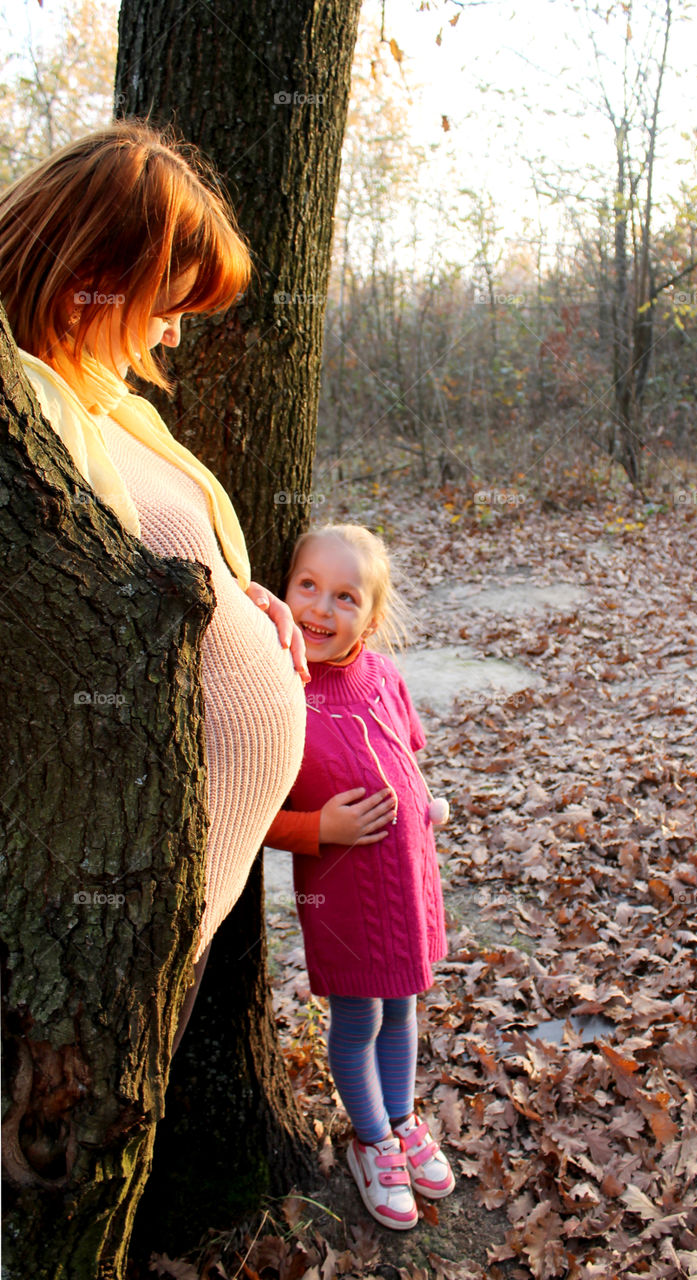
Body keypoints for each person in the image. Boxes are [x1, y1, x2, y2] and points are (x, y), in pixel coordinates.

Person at [0, 121, 309, 1048]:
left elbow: (139, 570)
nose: (175, 330)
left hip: (175, 900)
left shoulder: (101, 403)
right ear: (93, 269)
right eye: (167, 301)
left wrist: (232, 593)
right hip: (85, 916)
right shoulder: (19, 414)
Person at [265, 524, 455, 1232]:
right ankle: (370, 1139)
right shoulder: (281, 694)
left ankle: (403, 1119)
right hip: (342, 896)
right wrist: (321, 830)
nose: (320, 607)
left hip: (406, 883)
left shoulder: (383, 678)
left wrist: (422, 803)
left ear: (369, 619)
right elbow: (255, 814)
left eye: (344, 596)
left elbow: (404, 752)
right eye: (307, 585)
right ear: (286, 589)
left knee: (403, 1009)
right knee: (357, 1018)